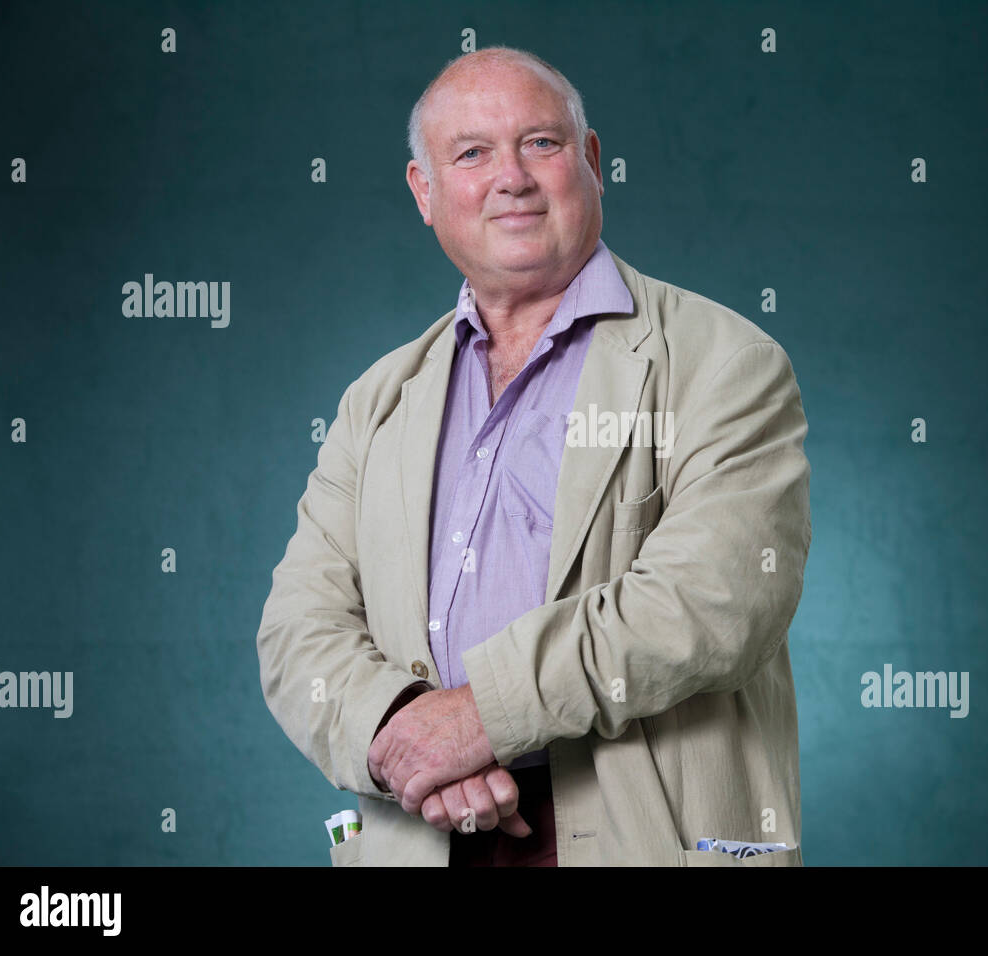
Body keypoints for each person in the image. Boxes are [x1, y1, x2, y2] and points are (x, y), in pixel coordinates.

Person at [256, 45, 812, 867]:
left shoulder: (724, 361)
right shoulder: (376, 400)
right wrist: (400, 733)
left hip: (643, 839)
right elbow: (298, 626)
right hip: (421, 840)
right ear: (425, 192)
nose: (510, 177)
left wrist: (480, 716)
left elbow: (717, 599)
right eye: (471, 153)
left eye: (541, 144)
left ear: (590, 162)